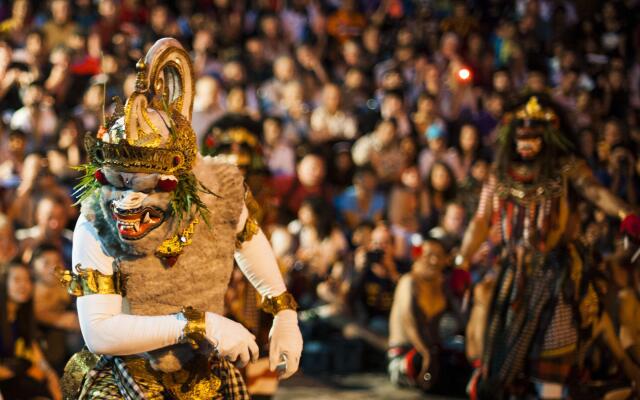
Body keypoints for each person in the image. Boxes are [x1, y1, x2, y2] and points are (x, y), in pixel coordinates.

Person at [60, 38, 302, 399]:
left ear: (183, 179)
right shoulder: (96, 223)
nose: (127, 199)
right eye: (118, 181)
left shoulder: (216, 193)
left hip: (203, 366)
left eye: (144, 184)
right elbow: (99, 332)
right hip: (130, 369)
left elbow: (247, 238)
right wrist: (197, 325)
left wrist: (283, 311)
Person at [458, 94, 640, 399]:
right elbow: (480, 221)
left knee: (553, 354)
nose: (526, 145)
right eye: (520, 138)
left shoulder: (566, 169)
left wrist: (625, 213)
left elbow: (595, 193)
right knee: (493, 340)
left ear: (549, 137)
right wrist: (463, 260)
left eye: (533, 138)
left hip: (557, 275)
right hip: (511, 273)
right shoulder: (498, 175)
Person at [388, 237, 466, 394]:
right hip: (408, 353)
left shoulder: (442, 285)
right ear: (418, 256)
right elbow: (409, 321)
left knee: (461, 363)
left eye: (439, 256)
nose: (434, 261)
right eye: (429, 255)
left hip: (433, 350)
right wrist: (426, 354)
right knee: (418, 364)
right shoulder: (409, 281)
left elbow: (462, 321)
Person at [0, 262, 62, 400]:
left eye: (28, 280)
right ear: (4, 283)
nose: (24, 285)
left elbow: (34, 349)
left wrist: (49, 374)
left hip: (16, 377)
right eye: (17, 280)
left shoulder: (22, 314)